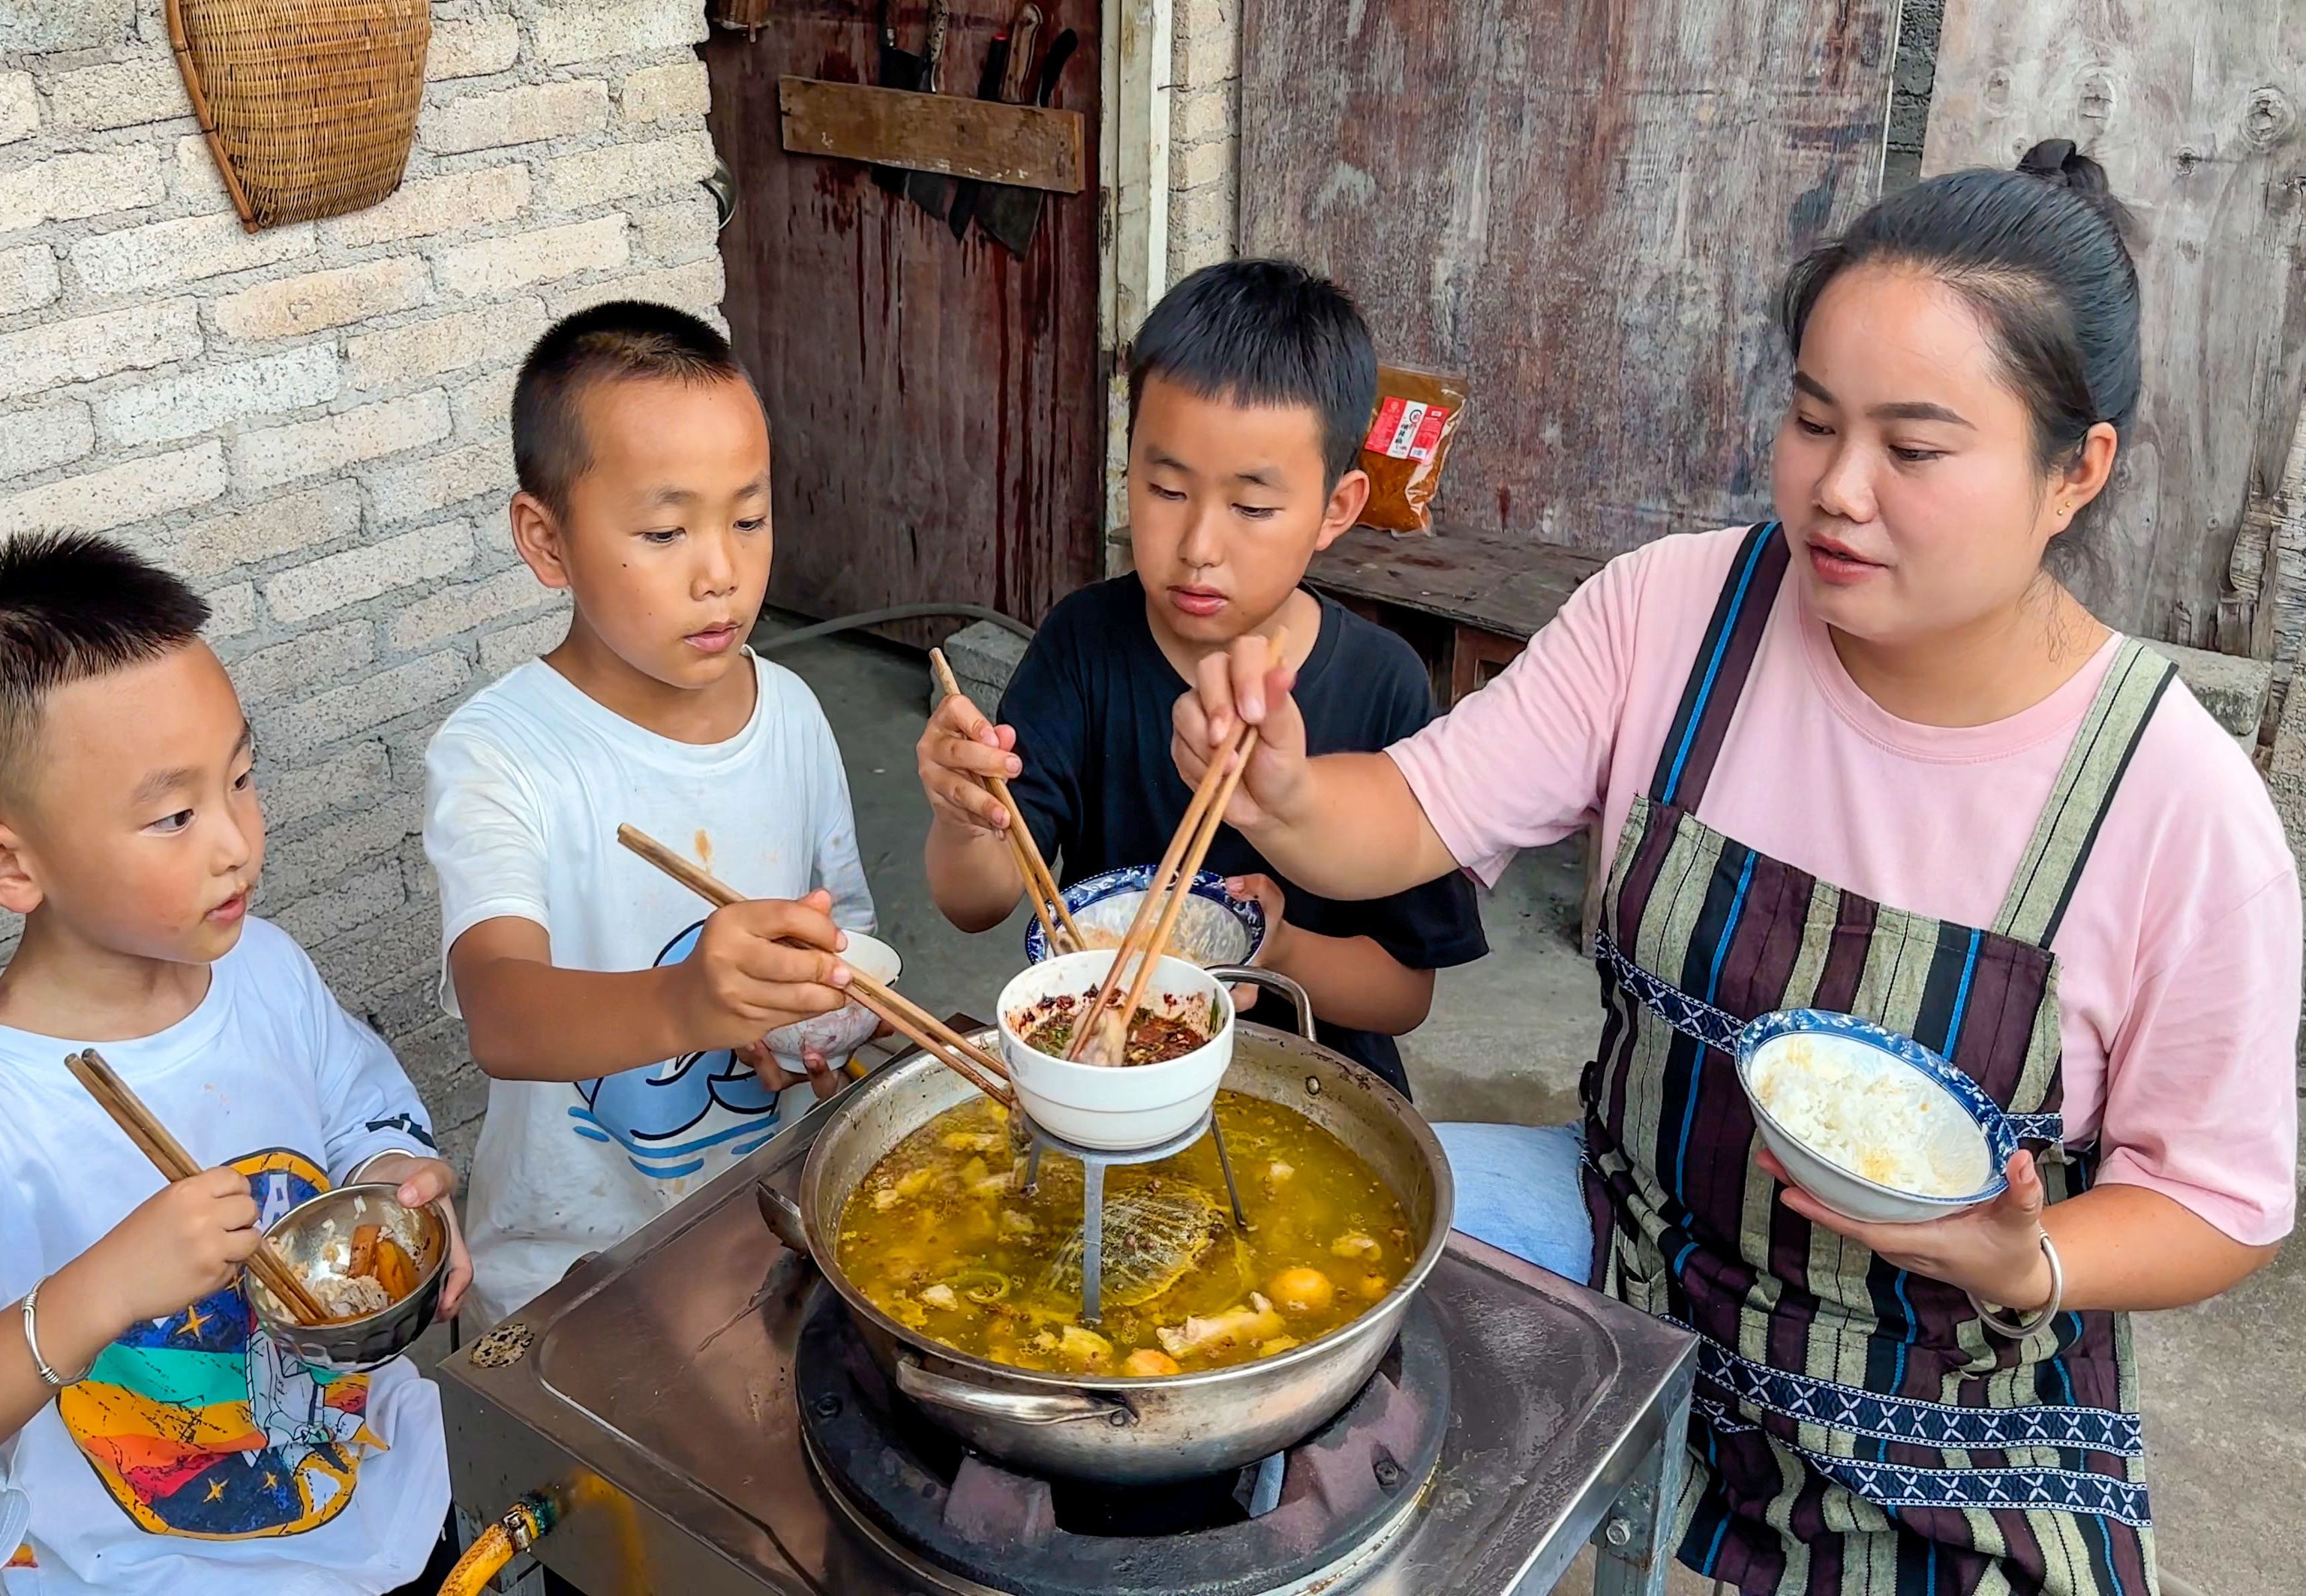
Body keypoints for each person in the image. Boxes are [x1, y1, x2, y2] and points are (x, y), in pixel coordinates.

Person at [1173, 145, 2296, 1593]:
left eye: (1912, 448)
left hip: (1946, 1387)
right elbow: (1403, 811)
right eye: (1810, 419)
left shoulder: (2172, 802)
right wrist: (1276, 786)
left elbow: (2215, 1199)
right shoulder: (1671, 615)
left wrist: (2030, 1265)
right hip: (1622, 1237)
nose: (1834, 489)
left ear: (2071, 470)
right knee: (1240, 1249)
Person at [0, 534, 471, 1594]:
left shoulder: (261, 969)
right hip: (158, 1568)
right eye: (174, 815)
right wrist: (98, 1292)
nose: (236, 841)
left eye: (242, 777)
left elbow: (364, 1110)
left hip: (380, 1500)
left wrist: (390, 1192)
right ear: (10, 864)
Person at [919, 260, 1486, 1096]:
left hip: (1311, 1085)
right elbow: (980, 902)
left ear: (1337, 507)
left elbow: (1402, 993)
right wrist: (964, 819)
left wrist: (1279, 950)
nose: (1197, 546)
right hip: (1104, 1067)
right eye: (1164, 487)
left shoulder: (1382, 683)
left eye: (1251, 507)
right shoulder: (1083, 641)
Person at [425, 302, 874, 1334]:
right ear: (548, 540)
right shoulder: (501, 754)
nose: (718, 570)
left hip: (767, 1234)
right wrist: (691, 1002)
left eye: (748, 519)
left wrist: (818, 1008)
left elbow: (842, 934)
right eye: (666, 531)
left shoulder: (794, 715)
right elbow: (502, 1009)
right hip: (570, 1279)